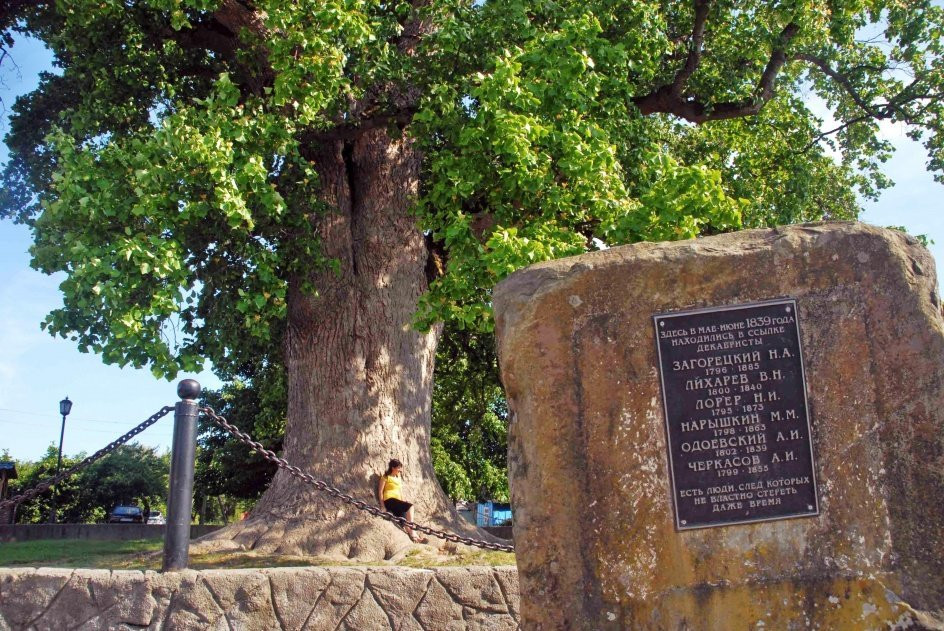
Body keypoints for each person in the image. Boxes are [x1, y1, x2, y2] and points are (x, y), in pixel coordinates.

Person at [377, 458, 425, 543]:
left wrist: (403, 501)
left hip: (398, 502)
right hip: (389, 500)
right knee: (411, 506)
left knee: (404, 521)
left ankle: (415, 538)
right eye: (398, 468)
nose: (400, 470)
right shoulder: (385, 477)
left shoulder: (398, 477)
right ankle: (413, 530)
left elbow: (400, 491)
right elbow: (380, 492)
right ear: (393, 468)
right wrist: (382, 506)